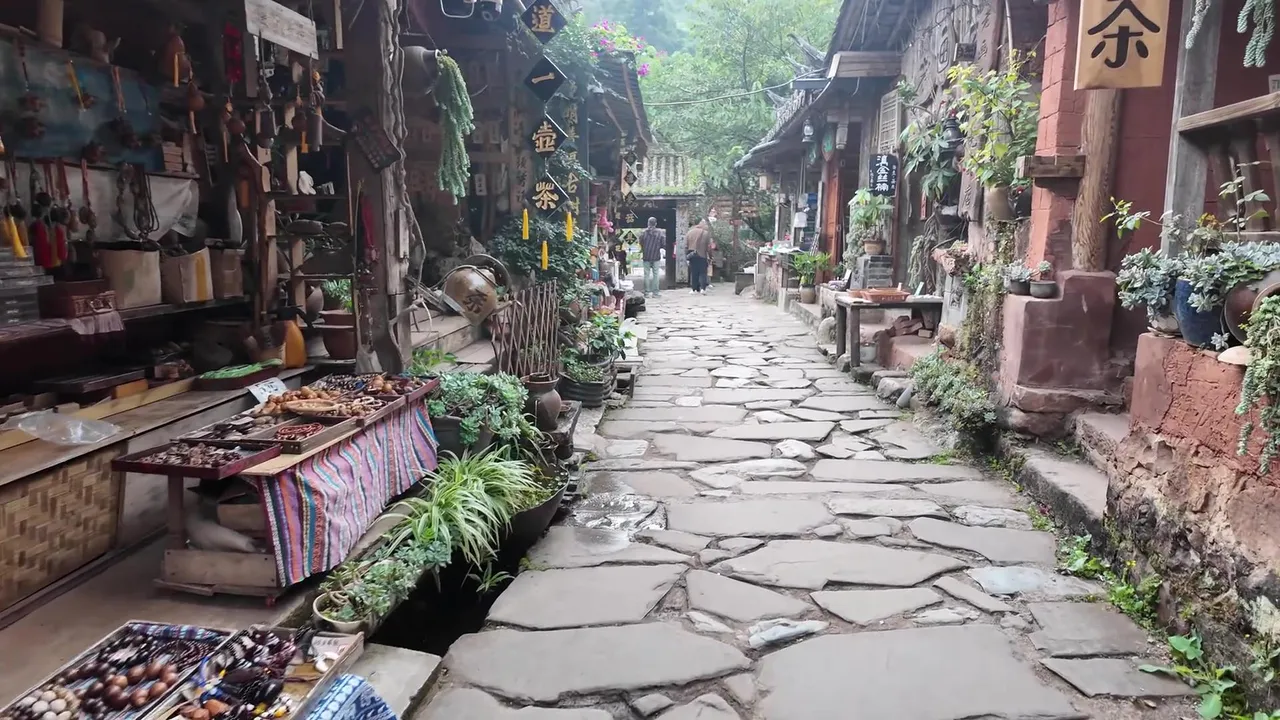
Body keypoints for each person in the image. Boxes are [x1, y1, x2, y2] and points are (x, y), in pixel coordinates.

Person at [638, 217, 665, 298]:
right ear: (655, 224)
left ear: (648, 223)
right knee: (656, 275)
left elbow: (641, 242)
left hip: (646, 256)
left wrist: (645, 248)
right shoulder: (660, 233)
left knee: (646, 275)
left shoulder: (643, 232)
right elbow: (663, 244)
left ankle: (647, 293)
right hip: (656, 256)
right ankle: (655, 293)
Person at [685, 219, 712, 294]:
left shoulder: (689, 233)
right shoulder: (706, 233)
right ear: (701, 224)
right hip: (702, 254)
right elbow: (708, 247)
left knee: (694, 272)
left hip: (692, 255)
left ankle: (694, 289)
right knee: (702, 272)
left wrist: (687, 256)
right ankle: (702, 289)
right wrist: (710, 256)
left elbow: (686, 246)